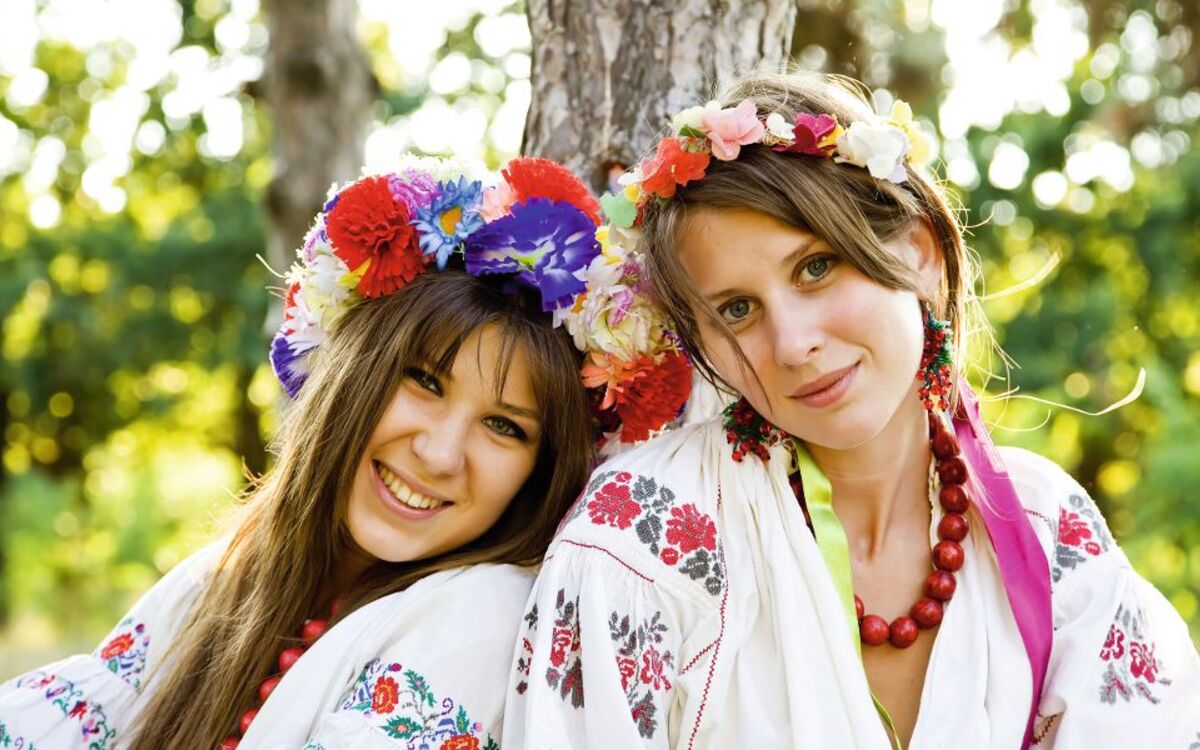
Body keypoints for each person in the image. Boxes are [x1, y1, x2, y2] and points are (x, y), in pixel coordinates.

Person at [504, 71, 1200, 749]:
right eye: (738, 310)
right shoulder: (640, 541)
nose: (795, 343)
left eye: (816, 267)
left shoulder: (1045, 531)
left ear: (918, 253)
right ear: (701, 339)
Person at [0, 153, 689, 749]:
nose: (441, 454)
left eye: (506, 427)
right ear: (352, 374)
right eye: (423, 381)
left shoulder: (479, 614)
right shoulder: (228, 578)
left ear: (541, 473)